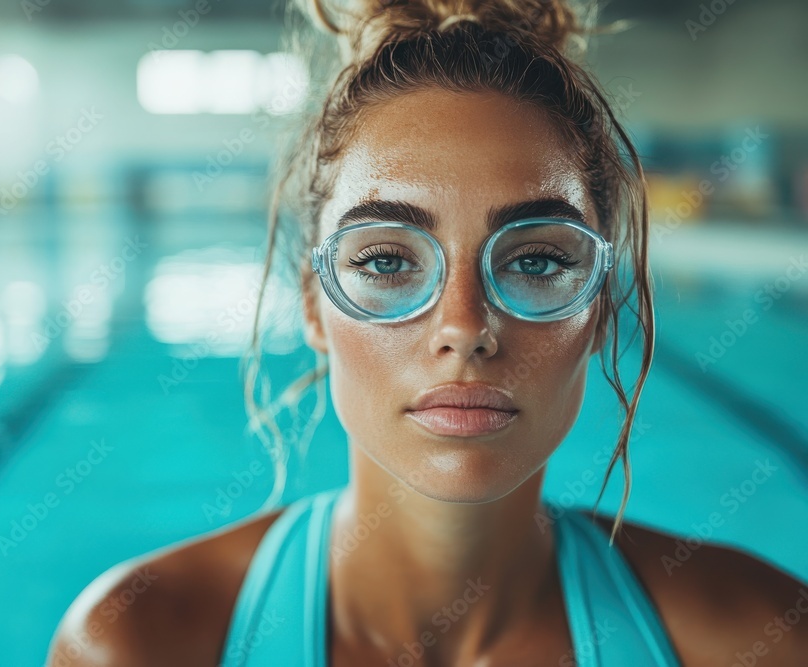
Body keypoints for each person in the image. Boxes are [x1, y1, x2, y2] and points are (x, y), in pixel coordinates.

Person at [46, 0, 808, 664]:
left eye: (538, 260)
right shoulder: (143, 641)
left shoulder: (762, 638)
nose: (465, 326)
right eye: (385, 260)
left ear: (601, 306)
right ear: (314, 305)